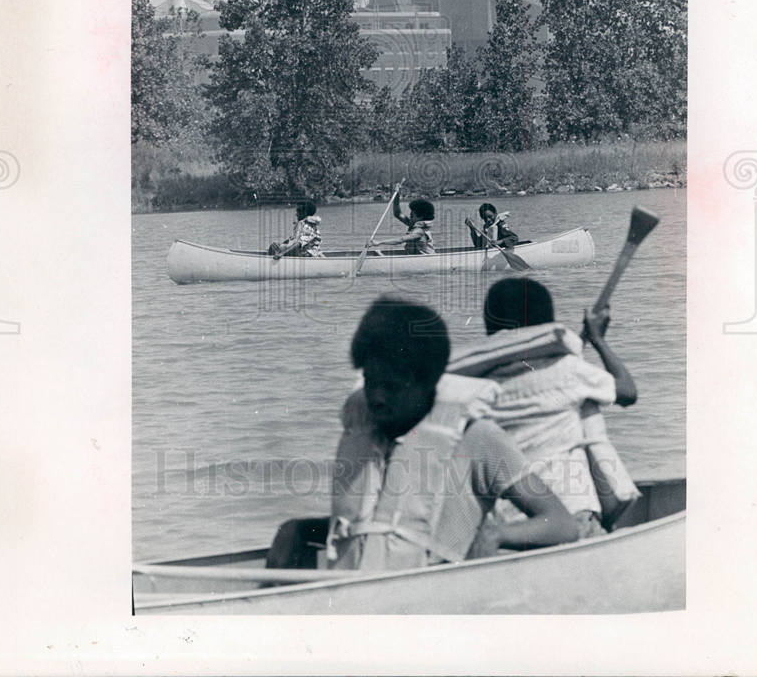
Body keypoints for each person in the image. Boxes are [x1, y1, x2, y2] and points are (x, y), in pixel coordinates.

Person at [266, 297, 577, 571]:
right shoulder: (368, 430)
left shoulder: (477, 438)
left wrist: (499, 534)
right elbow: (372, 531)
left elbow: (561, 524)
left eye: (391, 386)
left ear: (428, 382)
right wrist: (301, 530)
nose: (377, 397)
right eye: (371, 382)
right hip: (359, 597)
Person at [449, 277, 640, 539]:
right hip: (574, 515)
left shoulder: (478, 388)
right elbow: (628, 392)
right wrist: (598, 340)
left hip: (512, 524)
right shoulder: (568, 372)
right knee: (586, 407)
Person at [369, 195, 436, 255]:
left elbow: (401, 240)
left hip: (424, 259)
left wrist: (379, 242)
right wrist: (397, 195)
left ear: (420, 217)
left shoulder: (419, 231)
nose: (410, 214)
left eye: (413, 214)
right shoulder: (412, 224)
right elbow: (398, 214)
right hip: (415, 259)